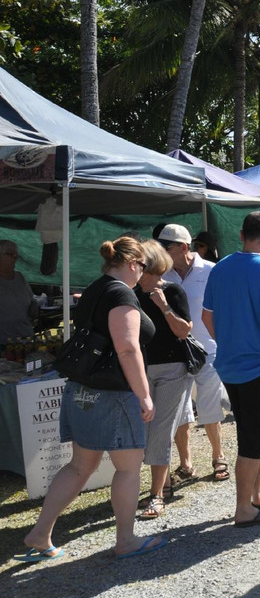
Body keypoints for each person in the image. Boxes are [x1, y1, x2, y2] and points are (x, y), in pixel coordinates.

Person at [16, 237, 166, 562]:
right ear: (131, 263)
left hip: (81, 388)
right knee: (128, 468)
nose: (142, 273)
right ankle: (125, 540)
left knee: (79, 465)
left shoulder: (96, 288)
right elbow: (127, 348)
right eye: (142, 267)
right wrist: (144, 395)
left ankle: (40, 533)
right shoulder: (122, 294)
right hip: (113, 394)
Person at [202, 211, 260, 526]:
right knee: (253, 440)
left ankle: (258, 493)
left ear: (241, 235)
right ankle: (244, 509)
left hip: (229, 364)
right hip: (258, 367)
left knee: (254, 431)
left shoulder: (220, 269)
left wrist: (229, 341)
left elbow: (207, 318)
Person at [160, 224, 229, 485]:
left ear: (183, 247)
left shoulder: (212, 270)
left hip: (208, 348)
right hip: (176, 351)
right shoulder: (162, 274)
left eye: (167, 248)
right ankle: (186, 463)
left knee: (210, 404)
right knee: (180, 409)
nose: (163, 252)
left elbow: (223, 309)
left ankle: (218, 456)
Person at [135, 240, 194, 521]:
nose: (133, 266)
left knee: (160, 429)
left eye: (138, 262)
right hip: (141, 371)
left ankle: (156, 494)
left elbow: (183, 332)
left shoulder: (172, 290)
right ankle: (164, 483)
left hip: (173, 369)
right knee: (146, 430)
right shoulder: (129, 293)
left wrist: (164, 307)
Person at [0, 239, 37, 342]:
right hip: (3, 342)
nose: (15, 258)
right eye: (10, 254)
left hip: (26, 338)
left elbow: (32, 300)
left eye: (16, 255)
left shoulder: (20, 277)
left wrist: (34, 307)